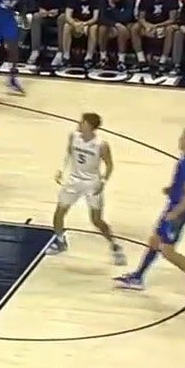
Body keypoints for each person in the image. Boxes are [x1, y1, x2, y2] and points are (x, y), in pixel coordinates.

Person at [114, 128, 185, 301]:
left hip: (178, 212)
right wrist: (172, 190)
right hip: (173, 207)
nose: (179, 139)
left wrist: (175, 213)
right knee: (154, 241)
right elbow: (184, 188)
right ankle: (138, 277)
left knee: (168, 251)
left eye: (183, 137)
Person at [45, 112, 125, 264]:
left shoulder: (101, 145)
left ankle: (115, 246)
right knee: (58, 213)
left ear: (89, 126)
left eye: (82, 122)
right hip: (74, 180)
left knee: (96, 220)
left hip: (92, 183)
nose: (79, 124)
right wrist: (61, 170)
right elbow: (68, 154)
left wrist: (102, 181)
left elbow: (109, 165)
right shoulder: (73, 136)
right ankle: (61, 241)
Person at [58, 0, 103, 67]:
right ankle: (66, 56)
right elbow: (68, 16)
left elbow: (95, 18)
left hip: (89, 22)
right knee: (67, 26)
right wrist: (75, 24)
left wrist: (85, 24)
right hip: (76, 21)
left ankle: (89, 57)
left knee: (94, 28)